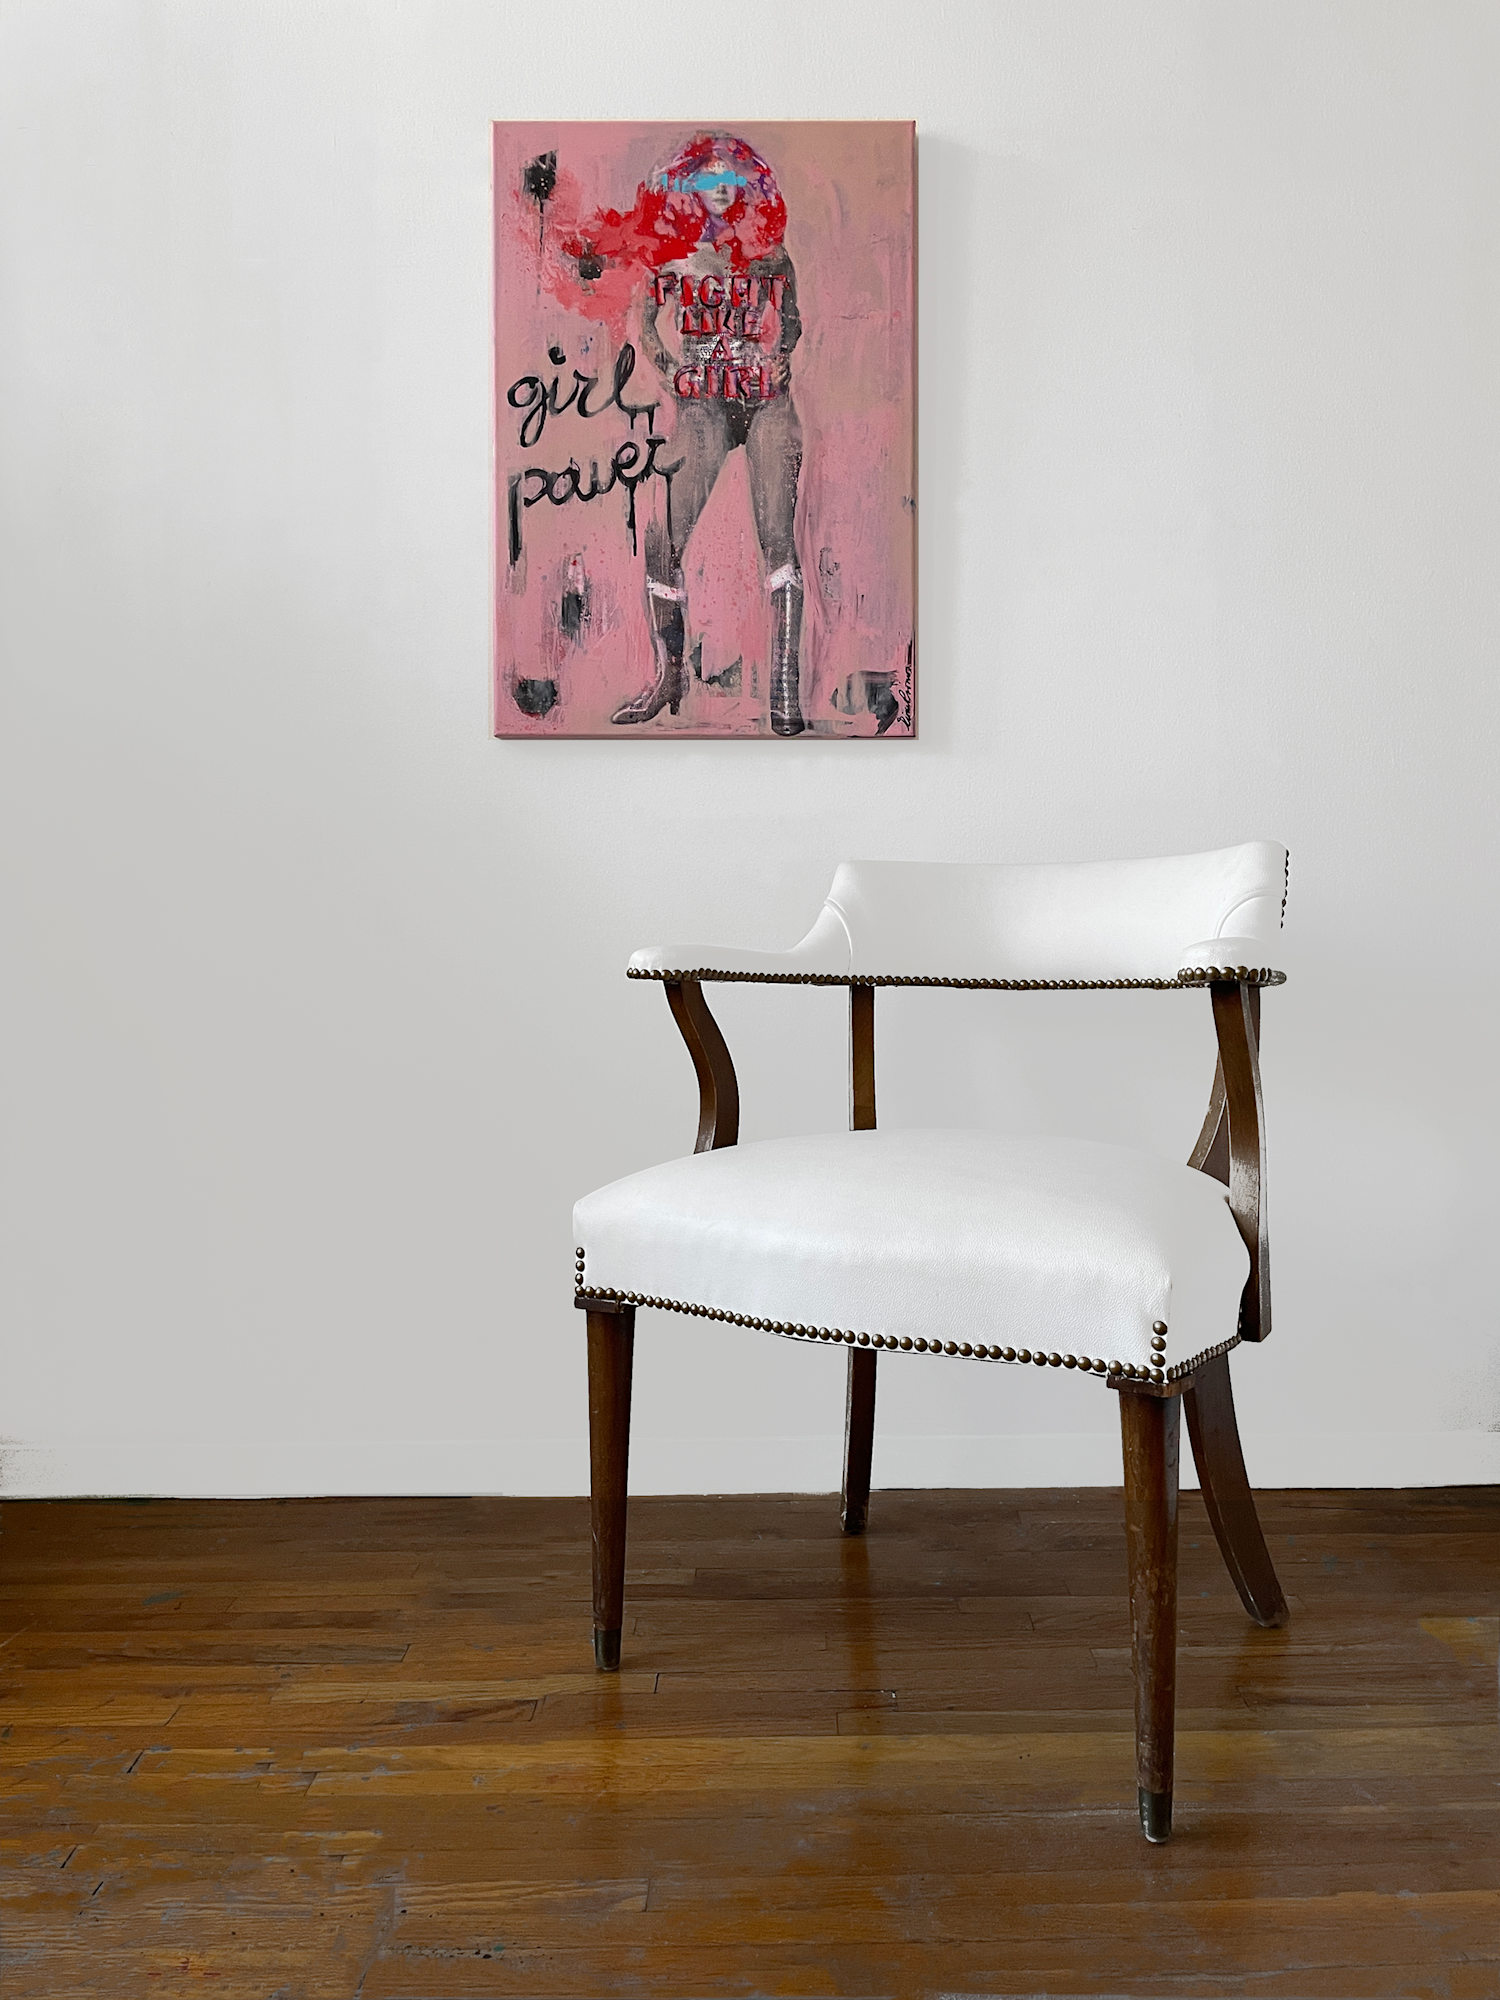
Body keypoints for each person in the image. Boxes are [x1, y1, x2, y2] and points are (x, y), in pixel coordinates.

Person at [567, 134, 808, 736]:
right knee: (661, 539)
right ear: (689, 187)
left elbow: (793, 323)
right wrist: (669, 368)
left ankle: (784, 690)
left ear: (749, 185)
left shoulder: (771, 256)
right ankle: (669, 677)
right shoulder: (673, 260)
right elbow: (646, 323)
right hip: (703, 406)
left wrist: (782, 359)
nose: (720, 188)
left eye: (731, 178)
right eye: (708, 178)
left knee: (778, 539)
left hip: (765, 401)